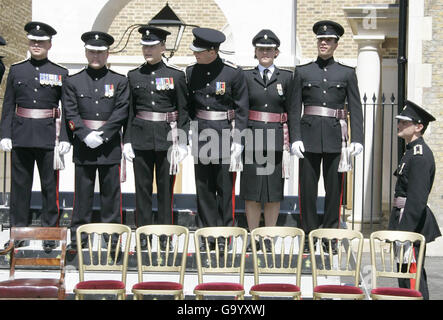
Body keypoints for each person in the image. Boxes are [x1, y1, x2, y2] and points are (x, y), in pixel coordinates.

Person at [291, 20, 364, 252]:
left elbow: (355, 108)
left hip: (335, 138)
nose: (324, 43)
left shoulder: (347, 73)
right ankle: (309, 235)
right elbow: (294, 108)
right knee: (307, 191)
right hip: (309, 137)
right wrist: (295, 138)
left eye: (329, 40)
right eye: (321, 40)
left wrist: (358, 139)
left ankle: (330, 236)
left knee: (334, 192)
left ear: (336, 44)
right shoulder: (303, 72)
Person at [0, 22, 70, 253]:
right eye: (33, 41)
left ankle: (50, 233)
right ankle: (18, 233)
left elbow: (67, 108)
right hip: (21, 134)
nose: (36, 45)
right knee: (20, 187)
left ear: (49, 44)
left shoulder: (60, 72)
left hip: (49, 136)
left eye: (41, 42)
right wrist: (5, 134)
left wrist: (65, 138)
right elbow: (9, 104)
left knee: (50, 188)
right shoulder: (17, 70)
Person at [61, 31, 129, 251]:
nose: (96, 56)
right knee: (82, 197)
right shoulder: (73, 81)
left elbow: (121, 112)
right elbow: (70, 112)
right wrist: (84, 134)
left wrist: (103, 135)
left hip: (109, 146)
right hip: (84, 146)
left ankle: (113, 241)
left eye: (100, 52)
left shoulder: (119, 81)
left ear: (108, 53)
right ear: (86, 52)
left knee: (111, 197)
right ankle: (78, 240)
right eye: (92, 51)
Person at [123, 25, 188, 250]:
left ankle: (164, 235)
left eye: (152, 46)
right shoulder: (133, 75)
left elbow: (183, 110)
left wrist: (183, 142)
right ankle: (143, 233)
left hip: (167, 139)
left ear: (162, 47)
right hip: (140, 139)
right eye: (144, 46)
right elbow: (129, 111)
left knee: (164, 190)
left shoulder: (176, 75)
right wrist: (127, 140)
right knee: (141, 189)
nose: (147, 50)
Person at [186, 28, 249, 249]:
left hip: (225, 133)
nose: (195, 54)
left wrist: (238, 140)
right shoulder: (190, 72)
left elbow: (242, 109)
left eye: (200, 51)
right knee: (203, 188)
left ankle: (225, 235)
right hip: (201, 134)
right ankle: (206, 234)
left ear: (213, 51)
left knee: (225, 189)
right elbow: (187, 107)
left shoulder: (232, 73)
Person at [240, 30, 296, 251]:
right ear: (255, 52)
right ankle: (254, 237)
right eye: (261, 49)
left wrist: (293, 140)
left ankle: (269, 238)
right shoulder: (245, 76)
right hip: (252, 137)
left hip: (275, 139)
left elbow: (292, 109)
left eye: (269, 49)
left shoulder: (287, 77)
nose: (265, 52)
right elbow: (241, 108)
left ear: (276, 52)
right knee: (252, 192)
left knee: (273, 192)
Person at [389, 100, 441, 300]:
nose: (399, 125)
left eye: (404, 122)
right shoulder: (411, 151)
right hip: (403, 220)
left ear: (418, 126)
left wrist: (405, 233)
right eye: (400, 122)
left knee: (412, 277)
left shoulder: (419, 155)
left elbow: (416, 200)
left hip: (410, 225)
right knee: (406, 276)